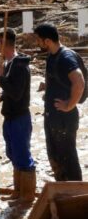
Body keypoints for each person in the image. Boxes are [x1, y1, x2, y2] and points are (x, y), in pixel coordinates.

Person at [34, 23, 85, 181]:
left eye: (39, 40)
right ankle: (63, 194)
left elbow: (79, 81)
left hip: (64, 119)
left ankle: (76, 198)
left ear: (47, 41)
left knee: (68, 160)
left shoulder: (65, 57)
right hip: (54, 117)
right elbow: (61, 79)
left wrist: (69, 104)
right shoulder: (53, 56)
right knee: (56, 158)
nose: (37, 43)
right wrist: (48, 88)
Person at [0, 28, 36, 202]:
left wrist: (1, 79)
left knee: (22, 154)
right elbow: (12, 90)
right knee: (12, 152)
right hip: (10, 116)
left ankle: (27, 195)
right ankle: (18, 191)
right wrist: (1, 98)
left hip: (20, 118)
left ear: (4, 44)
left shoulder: (19, 65)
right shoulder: (9, 62)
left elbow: (17, 93)